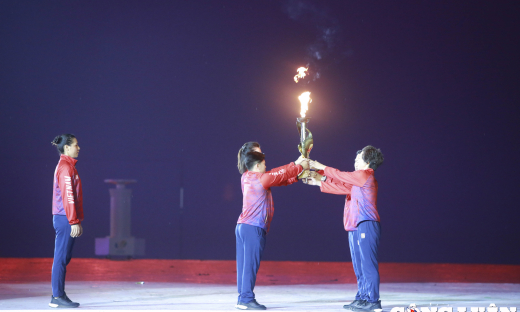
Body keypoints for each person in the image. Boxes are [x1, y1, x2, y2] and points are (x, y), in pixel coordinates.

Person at [304, 145, 384, 312]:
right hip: (355, 226)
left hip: (366, 224)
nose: (355, 161)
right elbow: (339, 185)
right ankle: (363, 297)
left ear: (368, 162)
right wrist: (316, 179)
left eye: (358, 158)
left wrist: (321, 167)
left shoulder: (365, 175)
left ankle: (373, 301)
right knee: (359, 266)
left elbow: (341, 175)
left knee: (367, 265)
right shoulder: (357, 181)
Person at [235, 144, 309, 310]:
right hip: (253, 228)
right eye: (264, 163)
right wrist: (298, 166)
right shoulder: (262, 178)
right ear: (257, 164)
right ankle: (246, 299)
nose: (266, 166)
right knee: (250, 266)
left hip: (242, 227)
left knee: (244, 266)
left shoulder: (246, 176)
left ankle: (242, 297)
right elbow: (279, 173)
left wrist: (297, 172)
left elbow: (280, 178)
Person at [49, 134, 84, 308]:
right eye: (76, 145)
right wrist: (73, 221)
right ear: (67, 148)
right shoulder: (65, 167)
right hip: (64, 218)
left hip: (65, 218)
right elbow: (68, 197)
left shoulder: (68, 166)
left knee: (64, 257)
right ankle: (57, 296)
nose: (79, 148)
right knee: (61, 258)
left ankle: (58, 294)